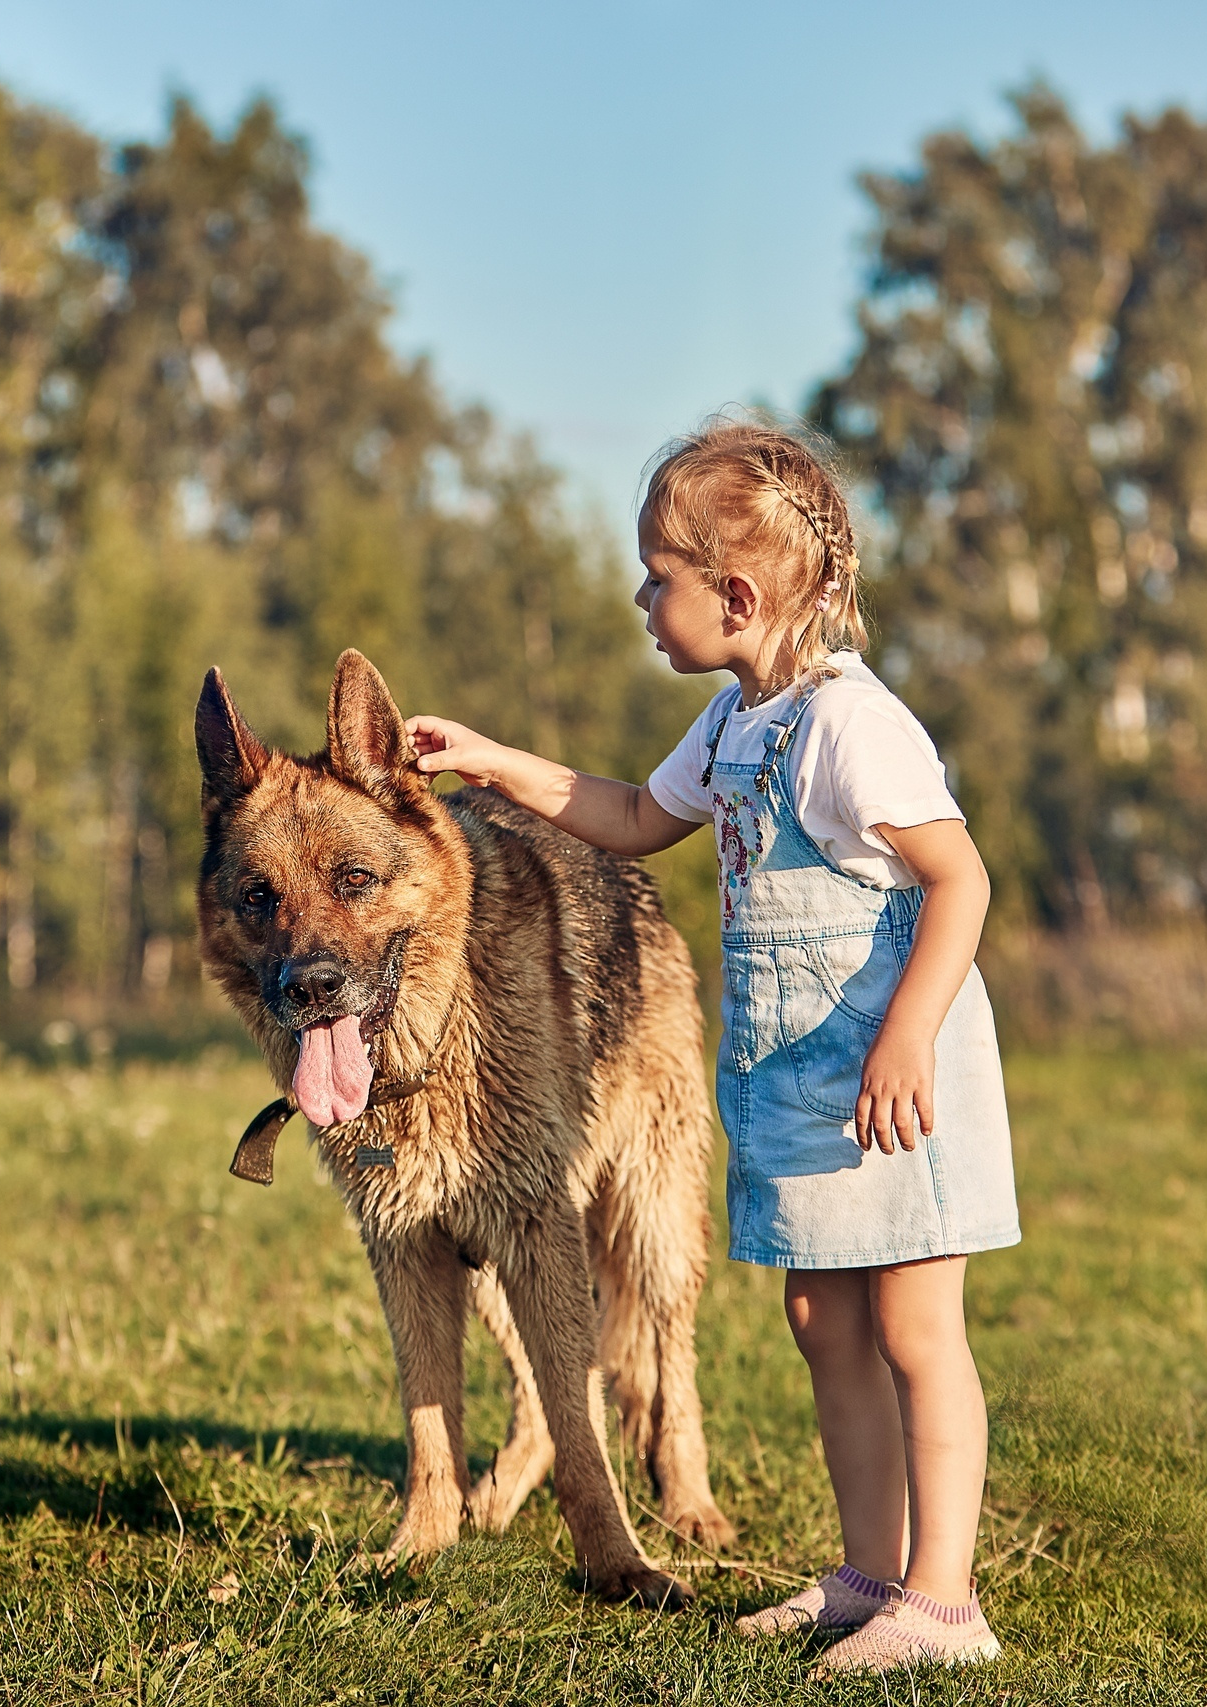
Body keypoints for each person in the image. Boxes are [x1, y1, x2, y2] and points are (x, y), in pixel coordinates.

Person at [405, 413, 1019, 1674]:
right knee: (820, 1319)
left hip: (892, 1076)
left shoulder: (853, 725)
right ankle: (867, 1575)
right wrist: (489, 761)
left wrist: (905, 1041)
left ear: (734, 595)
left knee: (915, 1330)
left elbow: (960, 882)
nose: (641, 600)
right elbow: (627, 817)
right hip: (802, 1076)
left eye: (656, 579)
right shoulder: (739, 722)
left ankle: (943, 1603)